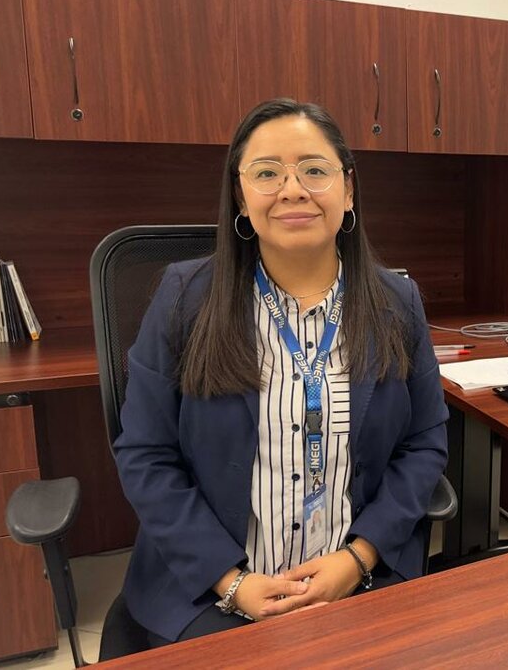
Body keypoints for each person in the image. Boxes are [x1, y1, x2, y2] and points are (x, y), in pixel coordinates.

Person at [112, 98, 449, 646]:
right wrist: (232, 582)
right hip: (211, 588)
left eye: (314, 170)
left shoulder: (397, 303)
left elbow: (425, 443)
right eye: (267, 173)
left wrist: (359, 558)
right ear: (240, 196)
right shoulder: (183, 298)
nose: (293, 190)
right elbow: (146, 454)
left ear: (348, 189)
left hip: (361, 577)